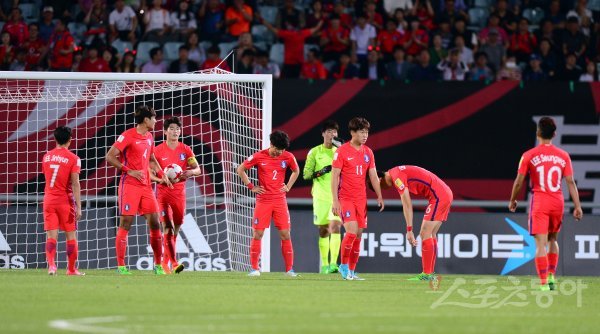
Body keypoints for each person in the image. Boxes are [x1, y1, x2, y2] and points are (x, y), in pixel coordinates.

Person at [509, 116, 583, 291]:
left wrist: (513, 199)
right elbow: (570, 182)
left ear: (538, 133)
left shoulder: (528, 155)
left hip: (540, 202)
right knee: (552, 239)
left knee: (540, 244)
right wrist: (578, 206)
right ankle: (551, 276)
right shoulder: (563, 156)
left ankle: (543, 283)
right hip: (557, 202)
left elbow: (519, 181)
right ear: (554, 134)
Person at [105, 105, 172, 275]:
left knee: (155, 222)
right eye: (154, 118)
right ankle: (121, 266)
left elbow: (151, 158)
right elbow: (109, 156)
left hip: (146, 186)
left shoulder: (149, 137)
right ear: (146, 120)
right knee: (126, 223)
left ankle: (158, 266)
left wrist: (162, 173)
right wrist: (128, 170)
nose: (156, 121)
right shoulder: (127, 136)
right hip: (129, 185)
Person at [236, 130, 300, 277]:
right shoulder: (259, 156)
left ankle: (289, 270)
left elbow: (296, 171)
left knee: (285, 234)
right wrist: (251, 186)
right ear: (271, 144)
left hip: (279, 201)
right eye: (277, 149)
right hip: (263, 201)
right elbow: (241, 169)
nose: (279, 153)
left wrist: (288, 186)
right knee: (258, 233)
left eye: (282, 150)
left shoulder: (288, 157)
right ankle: (254, 268)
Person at [331, 117, 384, 280]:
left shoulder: (368, 152)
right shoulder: (341, 151)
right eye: (362, 132)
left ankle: (352, 271)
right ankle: (344, 266)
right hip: (346, 199)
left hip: (362, 200)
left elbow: (373, 176)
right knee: (352, 232)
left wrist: (380, 195)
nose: (365, 135)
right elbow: (334, 177)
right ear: (353, 132)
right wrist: (335, 200)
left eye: (367, 132)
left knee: (359, 236)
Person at [379, 165, 453, 281]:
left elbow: (407, 204)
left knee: (425, 234)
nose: (383, 190)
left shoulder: (397, 177)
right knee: (431, 234)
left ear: (380, 179)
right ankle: (429, 273)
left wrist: (409, 230)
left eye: (378, 187)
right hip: (444, 193)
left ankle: (427, 274)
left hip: (439, 196)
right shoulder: (396, 172)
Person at [153, 117, 201, 274]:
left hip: (179, 194)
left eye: (177, 129)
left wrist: (190, 172)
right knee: (167, 227)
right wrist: (160, 178)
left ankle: (164, 262)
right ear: (165, 131)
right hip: (162, 193)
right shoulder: (157, 150)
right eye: (172, 128)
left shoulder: (186, 149)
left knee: (176, 229)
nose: (175, 132)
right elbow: (149, 171)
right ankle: (172, 263)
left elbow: (197, 169)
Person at [42, 126, 84, 276]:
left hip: (48, 200)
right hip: (65, 202)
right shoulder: (74, 159)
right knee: (70, 236)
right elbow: (75, 183)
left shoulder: (46, 157)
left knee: (51, 236)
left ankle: (52, 266)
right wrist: (79, 206)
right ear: (70, 140)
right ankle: (71, 270)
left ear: (55, 139)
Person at [303, 120, 343, 274]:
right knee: (323, 230)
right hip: (320, 197)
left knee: (335, 226)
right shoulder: (314, 152)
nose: (332, 134)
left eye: (334, 132)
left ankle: (334, 264)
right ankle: (325, 265)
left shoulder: (339, 152)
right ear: (323, 134)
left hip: (337, 196)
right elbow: (306, 174)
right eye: (329, 131)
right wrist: (321, 172)